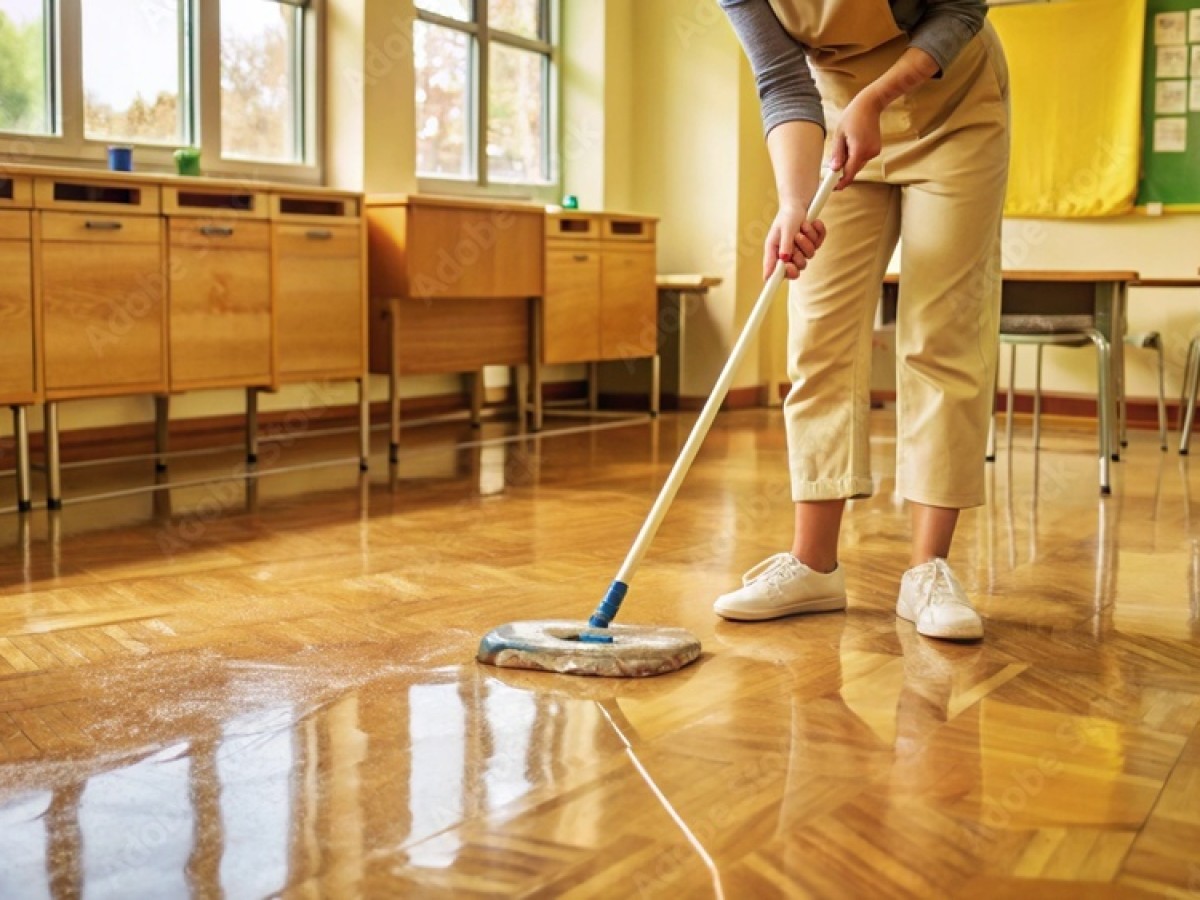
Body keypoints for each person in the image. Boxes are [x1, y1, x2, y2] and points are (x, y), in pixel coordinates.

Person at [714, 0, 1010, 641]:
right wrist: (794, 202)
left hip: (954, 106)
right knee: (817, 331)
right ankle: (814, 564)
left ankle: (928, 570)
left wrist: (879, 95)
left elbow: (961, 8)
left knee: (941, 332)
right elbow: (781, 78)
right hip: (837, 117)